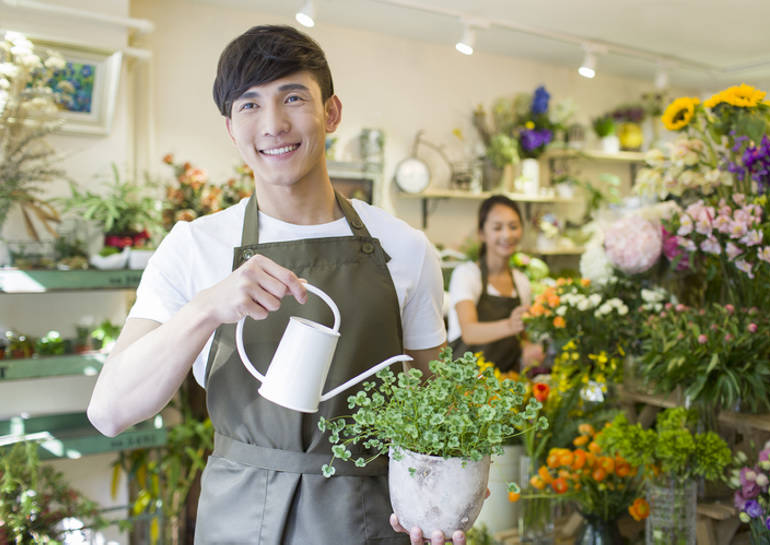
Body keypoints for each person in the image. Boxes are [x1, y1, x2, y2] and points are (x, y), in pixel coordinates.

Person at [86, 25, 462, 545]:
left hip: (369, 521)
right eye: (250, 105)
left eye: (293, 98)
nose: (273, 125)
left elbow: (438, 409)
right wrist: (206, 308)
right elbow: (110, 412)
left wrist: (447, 497)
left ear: (331, 112)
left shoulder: (405, 247)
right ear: (230, 128)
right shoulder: (194, 247)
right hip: (238, 522)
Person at [447, 195, 544, 372]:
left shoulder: (521, 282)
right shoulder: (467, 275)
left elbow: (521, 336)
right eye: (497, 228)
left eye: (513, 227)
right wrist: (510, 325)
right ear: (482, 233)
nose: (507, 235)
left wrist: (529, 348)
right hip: (466, 382)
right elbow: (469, 332)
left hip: (506, 380)